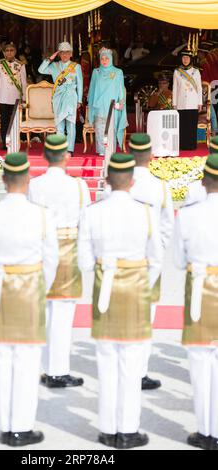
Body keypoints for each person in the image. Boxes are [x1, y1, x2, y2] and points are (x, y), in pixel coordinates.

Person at [78, 152, 162, 449]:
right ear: (132, 180)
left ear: (107, 180)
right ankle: (128, 429)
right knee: (131, 360)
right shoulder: (147, 212)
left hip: (105, 290)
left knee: (106, 361)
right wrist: (139, 283)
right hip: (136, 290)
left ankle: (107, 428)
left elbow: (85, 262)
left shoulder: (92, 211)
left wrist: (107, 269)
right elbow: (156, 260)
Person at [0, 152, 58, 446]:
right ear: (26, 179)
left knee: (2, 358)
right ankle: (22, 427)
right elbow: (52, 259)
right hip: (31, 287)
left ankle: (6, 425)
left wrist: (2, 271)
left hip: (1, 287)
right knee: (27, 358)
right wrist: (40, 285)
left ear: (3, 179)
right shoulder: (42, 215)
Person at [28, 134, 91, 388]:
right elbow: (85, 225)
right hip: (68, 249)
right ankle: (58, 370)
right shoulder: (79, 186)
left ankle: (46, 367)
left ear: (44, 157)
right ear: (66, 157)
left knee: (44, 312)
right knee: (63, 315)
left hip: (43, 249)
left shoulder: (35, 185)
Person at [174, 152, 218, 451]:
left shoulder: (189, 215)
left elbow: (178, 261)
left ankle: (206, 430)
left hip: (201, 286)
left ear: (204, 182)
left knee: (201, 361)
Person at [128, 133, 174, 389]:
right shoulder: (160, 186)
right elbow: (168, 225)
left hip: (122, 259)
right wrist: (158, 246)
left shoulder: (122, 185)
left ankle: (123, 368)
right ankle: (140, 371)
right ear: (152, 157)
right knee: (147, 315)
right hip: (149, 259)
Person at [38, 42, 83, 156]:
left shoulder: (76, 66)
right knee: (59, 124)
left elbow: (80, 84)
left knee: (71, 123)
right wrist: (50, 58)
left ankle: (70, 149)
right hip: (58, 98)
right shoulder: (54, 66)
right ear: (59, 54)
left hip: (71, 97)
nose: (65, 55)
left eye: (67, 52)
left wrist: (80, 100)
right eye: (62, 53)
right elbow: (41, 70)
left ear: (71, 54)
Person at [88, 47, 127, 156]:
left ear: (111, 59)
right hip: (99, 106)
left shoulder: (118, 72)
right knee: (100, 130)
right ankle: (101, 151)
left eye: (107, 58)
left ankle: (111, 151)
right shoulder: (96, 72)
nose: (104, 61)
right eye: (102, 59)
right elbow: (92, 90)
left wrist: (121, 102)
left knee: (111, 130)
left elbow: (121, 89)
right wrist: (90, 106)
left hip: (112, 106)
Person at [0, 43, 27, 150]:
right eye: (7, 50)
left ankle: (14, 142)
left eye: (11, 50)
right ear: (4, 52)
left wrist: (24, 98)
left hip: (15, 97)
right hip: (3, 97)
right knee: (4, 121)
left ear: (15, 52)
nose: (9, 52)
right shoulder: (0, 63)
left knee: (14, 122)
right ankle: (4, 143)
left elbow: (23, 82)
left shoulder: (20, 64)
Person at [173, 49, 202, 150]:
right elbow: (175, 88)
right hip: (181, 102)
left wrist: (200, 103)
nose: (185, 60)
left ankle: (191, 145)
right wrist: (174, 103)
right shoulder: (177, 72)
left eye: (187, 58)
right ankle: (182, 145)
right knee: (182, 125)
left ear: (191, 59)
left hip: (193, 102)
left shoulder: (196, 71)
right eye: (183, 58)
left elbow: (199, 87)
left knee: (191, 124)